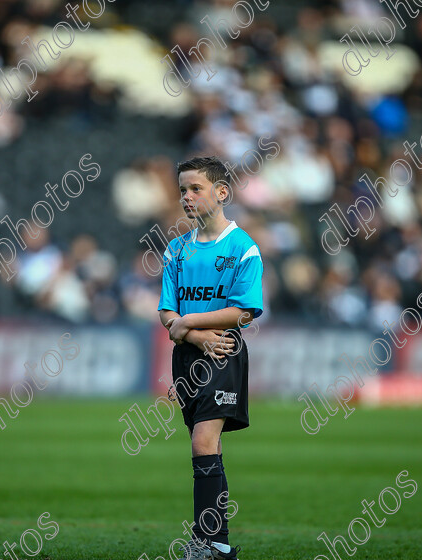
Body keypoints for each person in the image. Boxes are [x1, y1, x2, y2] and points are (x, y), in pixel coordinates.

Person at [158, 156, 263, 560]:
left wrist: (188, 325)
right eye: (182, 189)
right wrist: (191, 333)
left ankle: (208, 542)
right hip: (189, 355)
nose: (187, 197)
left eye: (195, 188)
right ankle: (217, 543)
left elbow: (243, 311)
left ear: (221, 192)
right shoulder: (175, 250)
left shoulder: (243, 248)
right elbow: (167, 313)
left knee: (204, 442)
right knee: (205, 445)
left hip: (223, 352)